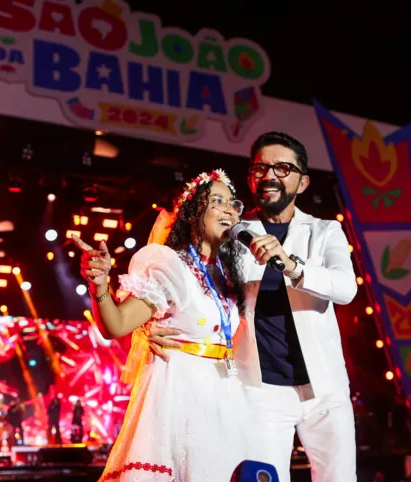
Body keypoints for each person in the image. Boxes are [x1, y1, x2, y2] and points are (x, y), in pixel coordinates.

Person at [150, 132, 358, 481]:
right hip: (261, 390)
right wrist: (155, 318)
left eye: (282, 167)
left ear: (302, 182)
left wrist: (290, 264)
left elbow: (345, 288)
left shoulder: (324, 232)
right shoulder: (234, 232)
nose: (270, 176)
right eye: (261, 168)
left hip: (325, 389)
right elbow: (192, 279)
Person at [73, 169, 270, 481]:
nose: (229, 209)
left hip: (225, 392)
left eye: (233, 203)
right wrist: (100, 285)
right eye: (217, 201)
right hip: (182, 389)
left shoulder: (230, 271)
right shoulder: (171, 267)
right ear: (193, 214)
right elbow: (117, 324)